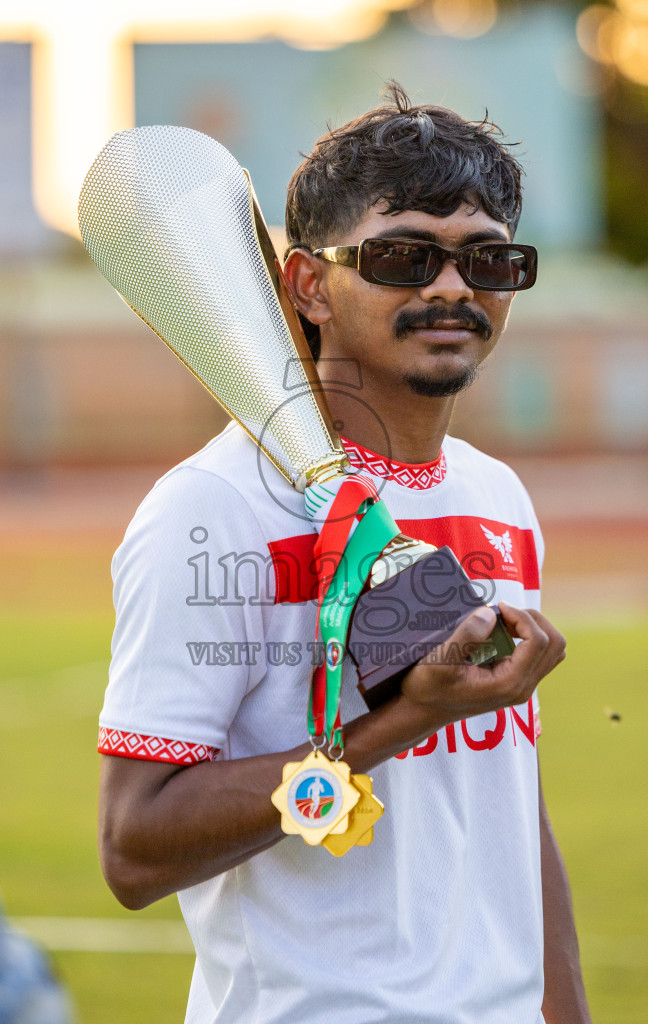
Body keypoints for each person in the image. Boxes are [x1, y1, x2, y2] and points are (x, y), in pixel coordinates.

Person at [97, 83, 592, 1023]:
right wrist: (393, 726)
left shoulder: (495, 494)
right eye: (404, 256)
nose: (451, 286)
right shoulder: (213, 509)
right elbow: (136, 848)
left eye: (488, 258)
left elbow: (505, 807)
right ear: (307, 285)